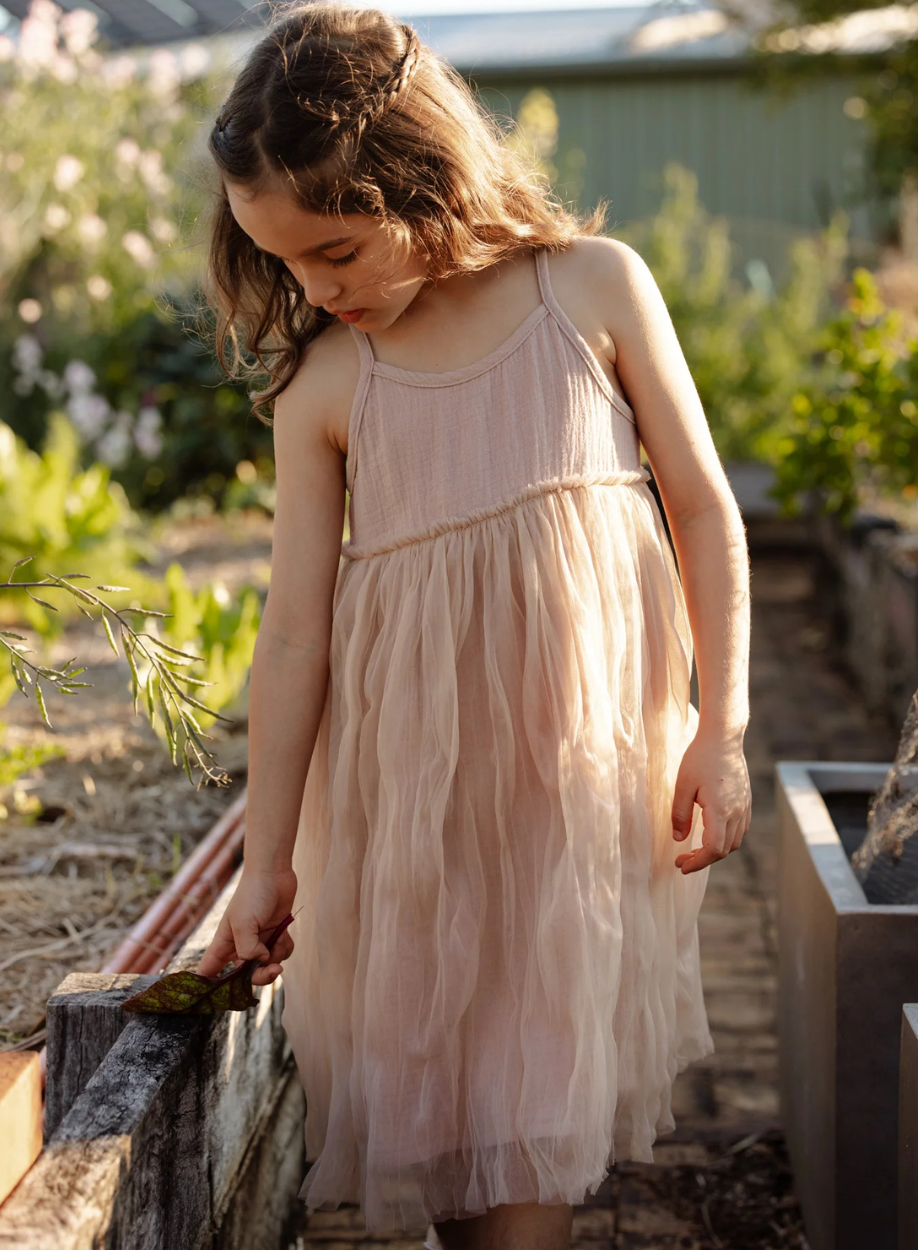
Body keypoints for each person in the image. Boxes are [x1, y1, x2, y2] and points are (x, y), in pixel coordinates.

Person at [196, 6, 751, 1248]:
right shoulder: (327, 387)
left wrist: (722, 728)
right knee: (451, 1115)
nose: (313, 289)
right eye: (285, 263)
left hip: (575, 793)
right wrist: (266, 859)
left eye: (336, 251)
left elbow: (704, 511)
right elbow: (293, 635)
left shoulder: (590, 291)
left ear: (424, 180)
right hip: (414, 808)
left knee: (533, 1106)